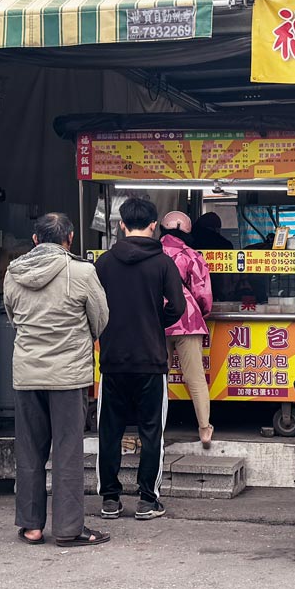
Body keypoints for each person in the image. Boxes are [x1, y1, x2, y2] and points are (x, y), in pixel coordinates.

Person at [4, 212, 112, 548]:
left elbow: (12, 315)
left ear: (35, 239)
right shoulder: (82, 271)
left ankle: (32, 525)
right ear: (70, 238)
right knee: (67, 450)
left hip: (27, 372)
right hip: (68, 374)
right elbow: (101, 318)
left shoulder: (13, 272)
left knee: (29, 450)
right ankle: (67, 529)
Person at [92, 196, 186, 520]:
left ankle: (109, 500)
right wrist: (152, 320)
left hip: (113, 360)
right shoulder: (163, 263)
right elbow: (178, 306)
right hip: (151, 360)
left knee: (109, 432)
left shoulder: (103, 263)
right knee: (151, 432)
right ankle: (148, 500)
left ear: (120, 225)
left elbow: (92, 308)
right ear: (153, 226)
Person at [160, 211, 214, 448]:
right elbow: (203, 294)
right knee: (195, 378)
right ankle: (204, 428)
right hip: (187, 318)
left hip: (155, 320)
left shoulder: (150, 253)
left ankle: (155, 427)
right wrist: (201, 312)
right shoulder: (191, 256)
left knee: (157, 377)